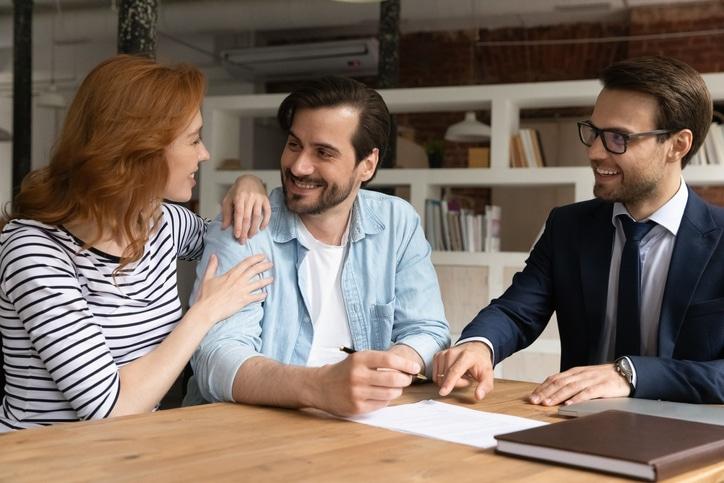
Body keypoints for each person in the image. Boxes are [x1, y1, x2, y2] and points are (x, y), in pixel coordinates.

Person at [0, 55, 273, 432]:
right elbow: (109, 410)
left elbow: (231, 236)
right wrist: (205, 312)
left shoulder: (165, 224)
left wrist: (249, 184)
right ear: (140, 150)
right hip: (42, 462)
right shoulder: (35, 251)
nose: (204, 154)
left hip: (129, 456)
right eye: (193, 140)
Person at [434, 55, 724, 405]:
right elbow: (517, 310)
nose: (595, 152)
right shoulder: (567, 227)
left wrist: (630, 374)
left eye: (619, 138)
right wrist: (480, 344)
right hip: (578, 424)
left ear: (678, 145)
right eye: (595, 133)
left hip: (689, 436)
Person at [185, 76, 450, 416]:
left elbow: (428, 329)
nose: (298, 166)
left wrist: (387, 368)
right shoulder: (245, 225)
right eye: (294, 144)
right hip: (251, 430)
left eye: (323, 152)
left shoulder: (397, 223)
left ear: (367, 165)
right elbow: (215, 357)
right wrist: (319, 387)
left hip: (367, 424)